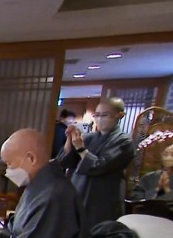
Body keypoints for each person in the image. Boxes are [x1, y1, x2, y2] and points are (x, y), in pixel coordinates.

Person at [57, 97, 134, 228]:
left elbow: (99, 166)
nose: (100, 119)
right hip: (79, 191)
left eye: (105, 115)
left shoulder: (124, 142)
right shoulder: (88, 137)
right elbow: (66, 162)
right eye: (97, 115)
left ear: (120, 115)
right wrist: (70, 139)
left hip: (103, 198)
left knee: (98, 233)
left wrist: (81, 148)